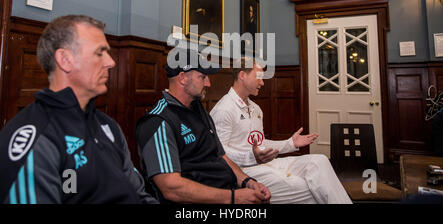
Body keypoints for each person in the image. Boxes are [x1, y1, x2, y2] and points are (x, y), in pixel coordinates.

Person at [0, 15, 157, 204]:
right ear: (65, 59)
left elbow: (138, 195)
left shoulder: (108, 126)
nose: (111, 62)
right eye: (100, 53)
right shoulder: (36, 138)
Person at [136, 49, 271, 204]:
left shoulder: (199, 111)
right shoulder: (158, 121)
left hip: (228, 191)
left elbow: (221, 156)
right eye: (203, 76)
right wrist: (234, 198)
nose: (208, 83)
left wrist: (248, 182)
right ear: (183, 78)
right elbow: (170, 187)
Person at [210, 57, 352, 204]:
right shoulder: (224, 109)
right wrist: (250, 157)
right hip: (243, 171)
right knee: (310, 187)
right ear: (242, 75)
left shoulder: (255, 108)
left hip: (267, 164)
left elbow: (261, 143)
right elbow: (218, 153)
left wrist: (290, 143)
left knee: (319, 161)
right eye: (258, 77)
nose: (262, 82)